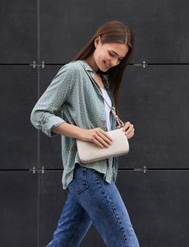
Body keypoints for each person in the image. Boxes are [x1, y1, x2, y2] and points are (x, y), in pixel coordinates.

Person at [30, 21, 139, 246]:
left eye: (119, 59)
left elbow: (99, 126)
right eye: (111, 54)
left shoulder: (104, 80)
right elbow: (39, 114)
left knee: (64, 243)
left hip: (95, 173)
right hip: (89, 172)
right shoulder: (74, 72)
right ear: (97, 41)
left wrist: (121, 130)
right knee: (126, 243)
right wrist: (83, 134)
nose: (114, 62)